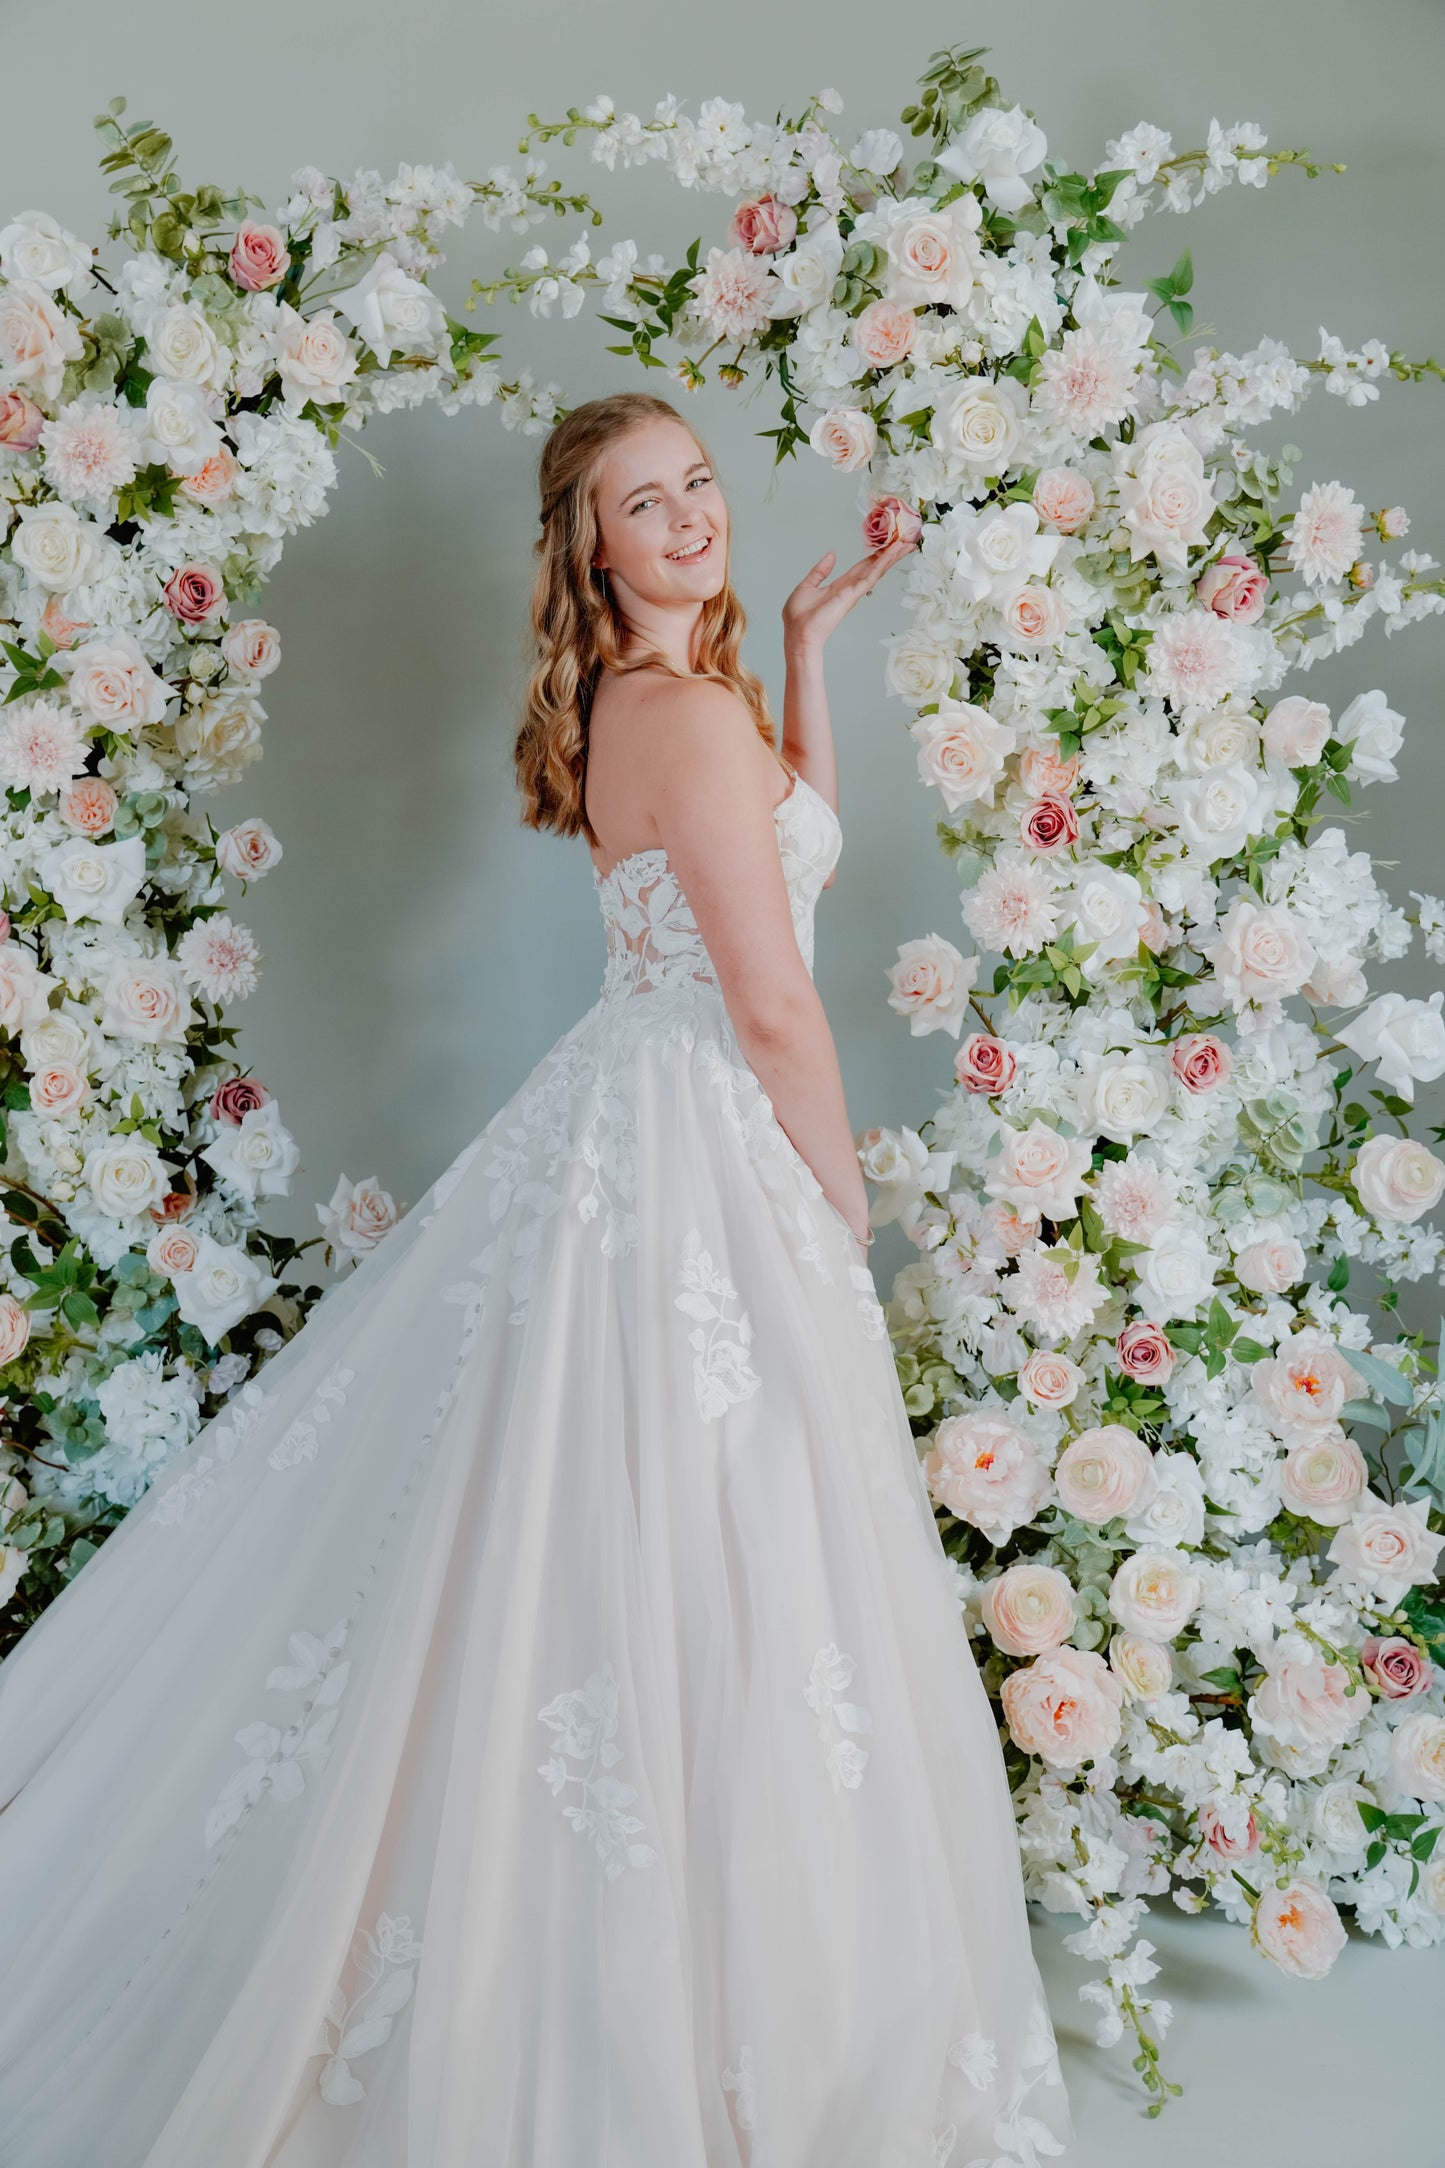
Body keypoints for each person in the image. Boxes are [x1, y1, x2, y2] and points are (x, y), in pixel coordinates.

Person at [0, 388, 1075, 2167]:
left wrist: (807, 650)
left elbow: (791, 849)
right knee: (696, 1528)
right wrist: (834, 1207)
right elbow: (775, 998)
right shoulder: (673, 712)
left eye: (700, 487)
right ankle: (670, 2002)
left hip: (635, 1110)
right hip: (698, 1131)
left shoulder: (661, 700)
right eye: (641, 504)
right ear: (588, 546)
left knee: (627, 1525)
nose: (687, 521)